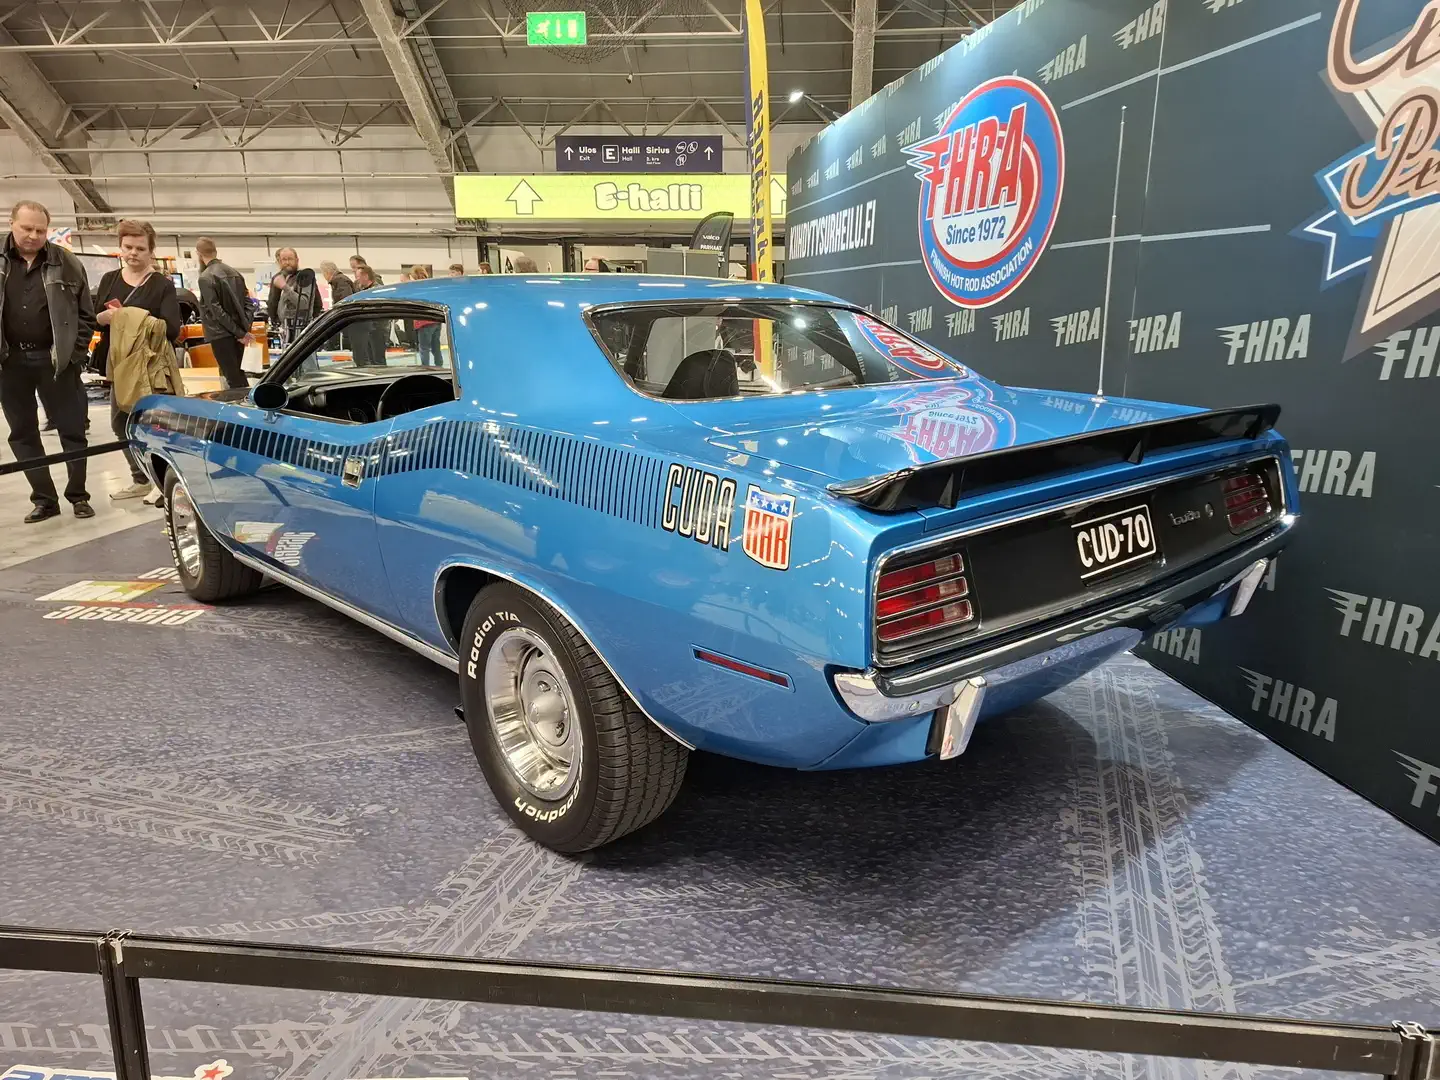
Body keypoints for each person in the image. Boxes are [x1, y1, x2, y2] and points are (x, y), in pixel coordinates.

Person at [0, 200, 96, 523]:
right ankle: (44, 499)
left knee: (73, 430)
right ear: (11, 224)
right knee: (22, 433)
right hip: (9, 361)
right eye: (27, 228)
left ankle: (79, 496)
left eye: (40, 230)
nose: (33, 235)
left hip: (56, 361)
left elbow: (86, 315)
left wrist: (75, 354)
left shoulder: (67, 263)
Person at [94, 219, 183, 501]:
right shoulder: (110, 280)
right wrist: (104, 318)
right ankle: (141, 478)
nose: (133, 253)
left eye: (140, 248)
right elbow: (94, 319)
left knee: (157, 425)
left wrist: (127, 317)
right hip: (120, 364)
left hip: (151, 366)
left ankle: (163, 480)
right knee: (120, 423)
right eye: (128, 247)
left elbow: (172, 328)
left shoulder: (162, 285)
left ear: (151, 251)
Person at [195, 236, 252, 390]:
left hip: (220, 334)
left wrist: (239, 332)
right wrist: (243, 330)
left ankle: (241, 404)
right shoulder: (235, 273)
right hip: (237, 333)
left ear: (198, 254)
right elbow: (248, 303)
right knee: (239, 375)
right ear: (215, 251)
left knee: (233, 379)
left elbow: (216, 311)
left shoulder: (205, 278)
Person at [265, 247, 322, 331]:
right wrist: (275, 322)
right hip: (283, 328)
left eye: (290, 259)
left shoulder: (304, 277)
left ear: (297, 260)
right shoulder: (278, 278)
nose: (287, 262)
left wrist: (285, 287)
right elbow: (273, 302)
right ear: (279, 262)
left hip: (301, 329)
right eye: (284, 259)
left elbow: (305, 303)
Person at [408, 264, 442, 365]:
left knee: (424, 348)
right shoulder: (430, 285)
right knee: (436, 346)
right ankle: (439, 365)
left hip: (423, 321)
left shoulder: (415, 288)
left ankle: (425, 367)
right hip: (436, 319)